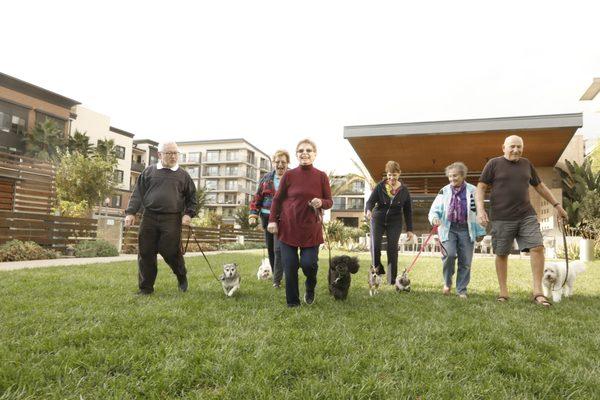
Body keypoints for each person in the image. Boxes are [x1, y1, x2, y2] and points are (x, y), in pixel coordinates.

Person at [475, 135, 567, 306]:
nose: (516, 150)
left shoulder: (526, 164)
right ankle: (503, 292)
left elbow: (539, 186)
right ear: (503, 147)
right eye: (512, 146)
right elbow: (481, 188)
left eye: (519, 147)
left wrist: (557, 206)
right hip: (501, 217)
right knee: (502, 253)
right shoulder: (493, 164)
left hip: (526, 215)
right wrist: (480, 210)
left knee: (537, 247)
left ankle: (538, 292)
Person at [124, 141, 197, 295]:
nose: (173, 156)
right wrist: (131, 212)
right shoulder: (149, 172)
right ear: (160, 155)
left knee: (170, 251)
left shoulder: (183, 175)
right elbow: (138, 194)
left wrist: (188, 214)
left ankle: (181, 275)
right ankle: (146, 288)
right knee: (146, 252)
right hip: (149, 216)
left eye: (175, 153)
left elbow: (192, 198)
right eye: (169, 153)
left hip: (172, 218)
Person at [267, 139, 332, 307]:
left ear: (315, 154)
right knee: (290, 266)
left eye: (309, 150)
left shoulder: (321, 176)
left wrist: (321, 202)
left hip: (311, 229)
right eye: (301, 150)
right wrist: (273, 220)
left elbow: (329, 201)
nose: (305, 153)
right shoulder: (289, 175)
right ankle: (293, 303)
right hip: (288, 228)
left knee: (309, 264)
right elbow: (277, 200)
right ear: (296, 155)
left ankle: (310, 288)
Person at [428, 162, 486, 298]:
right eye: (450, 176)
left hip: (467, 229)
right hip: (449, 228)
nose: (452, 179)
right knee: (449, 256)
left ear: (463, 176)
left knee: (465, 261)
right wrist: (435, 218)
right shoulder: (444, 190)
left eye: (455, 176)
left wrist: (481, 231)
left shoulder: (473, 191)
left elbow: (478, 211)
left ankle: (461, 290)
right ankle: (447, 283)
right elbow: (434, 209)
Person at [365, 161, 414, 285]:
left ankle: (391, 279)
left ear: (399, 174)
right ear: (387, 174)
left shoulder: (404, 190)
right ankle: (377, 272)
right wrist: (368, 210)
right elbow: (370, 202)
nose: (392, 178)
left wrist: (410, 229)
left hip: (395, 221)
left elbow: (408, 210)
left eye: (394, 175)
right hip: (378, 219)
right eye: (389, 175)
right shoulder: (380, 186)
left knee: (392, 249)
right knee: (375, 246)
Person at [249, 149, 290, 288]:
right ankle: (276, 274)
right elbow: (257, 197)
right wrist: (253, 214)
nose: (280, 165)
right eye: (277, 162)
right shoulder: (266, 178)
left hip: (283, 218)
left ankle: (276, 281)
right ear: (273, 163)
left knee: (278, 249)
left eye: (283, 162)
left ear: (288, 163)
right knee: (271, 249)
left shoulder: (291, 178)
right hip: (266, 218)